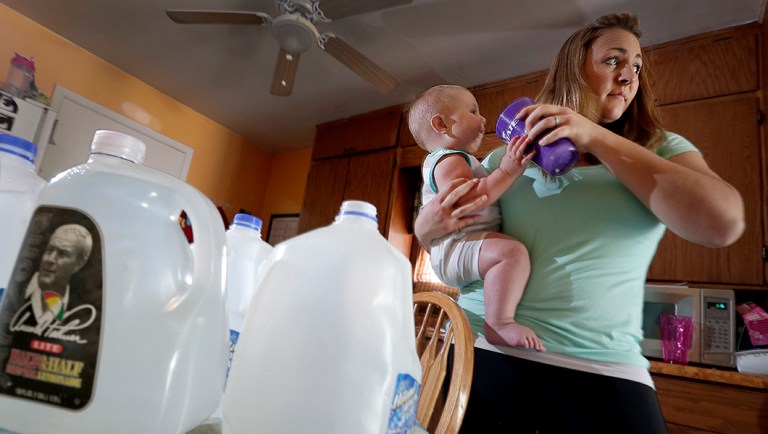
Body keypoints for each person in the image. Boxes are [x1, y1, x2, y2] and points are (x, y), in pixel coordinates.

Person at [414, 12, 745, 433]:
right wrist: (426, 230)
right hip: (483, 350)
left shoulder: (659, 150)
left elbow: (722, 226)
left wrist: (594, 135)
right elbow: (455, 239)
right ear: (573, 68)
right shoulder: (505, 159)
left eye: (637, 67)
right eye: (613, 60)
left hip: (608, 368)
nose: (629, 76)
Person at [407, 84, 543, 351]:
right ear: (442, 125)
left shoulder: (458, 159)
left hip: (460, 245)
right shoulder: (449, 159)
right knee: (512, 254)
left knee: (508, 255)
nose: (482, 119)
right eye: (472, 111)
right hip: (457, 245)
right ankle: (499, 324)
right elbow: (469, 199)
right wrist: (507, 170)